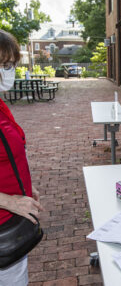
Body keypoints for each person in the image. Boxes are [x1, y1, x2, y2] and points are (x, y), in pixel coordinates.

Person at [0, 30, 44, 285]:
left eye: (11, 65)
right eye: (3, 65)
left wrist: (26, 186)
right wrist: (9, 201)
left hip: (11, 225)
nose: (8, 72)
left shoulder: (2, 105)